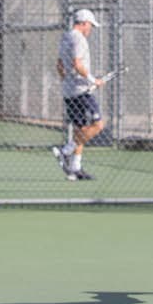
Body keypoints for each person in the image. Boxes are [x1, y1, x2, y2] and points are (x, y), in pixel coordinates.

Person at [52, 9, 104, 181]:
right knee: (98, 125)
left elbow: (60, 64)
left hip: (69, 91)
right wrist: (92, 80)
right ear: (83, 23)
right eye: (90, 25)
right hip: (81, 91)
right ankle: (65, 151)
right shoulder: (79, 38)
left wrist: (67, 82)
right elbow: (77, 63)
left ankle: (75, 169)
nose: (90, 29)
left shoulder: (65, 37)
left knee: (81, 129)